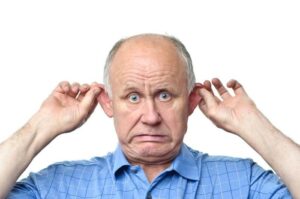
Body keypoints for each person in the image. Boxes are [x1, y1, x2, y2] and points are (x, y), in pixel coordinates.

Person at [0, 33, 299, 199]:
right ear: (107, 103)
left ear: (193, 100)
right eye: (133, 97)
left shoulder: (243, 182)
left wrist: (254, 125)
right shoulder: (58, 186)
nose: (151, 116)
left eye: (165, 95)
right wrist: (39, 128)